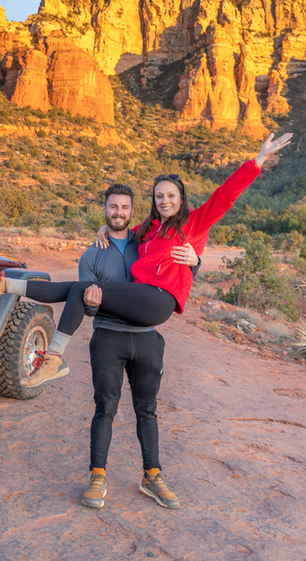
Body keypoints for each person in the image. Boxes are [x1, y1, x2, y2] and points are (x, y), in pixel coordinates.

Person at [0, 132, 292, 388]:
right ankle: (2, 286)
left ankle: (52, 358)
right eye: (159, 196)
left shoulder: (192, 224)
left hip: (159, 300)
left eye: (171, 196)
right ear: (154, 200)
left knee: (81, 289)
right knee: (76, 288)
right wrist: (102, 226)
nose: (165, 201)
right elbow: (119, 227)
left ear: (181, 200)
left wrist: (258, 159)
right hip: (141, 297)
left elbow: (226, 195)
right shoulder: (148, 230)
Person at [77, 183, 198, 509]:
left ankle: (152, 476)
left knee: (148, 410)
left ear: (133, 213)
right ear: (104, 210)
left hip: (146, 338)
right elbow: (87, 308)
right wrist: (90, 305)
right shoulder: (92, 253)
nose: (118, 213)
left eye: (124, 208)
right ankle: (98, 475)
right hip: (108, 337)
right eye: (112, 208)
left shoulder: (144, 239)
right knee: (106, 408)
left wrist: (196, 260)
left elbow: (177, 266)